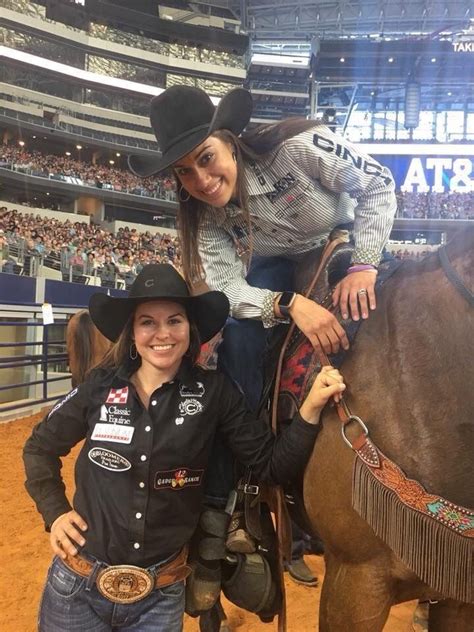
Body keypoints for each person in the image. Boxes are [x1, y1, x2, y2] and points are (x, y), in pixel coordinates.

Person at [129, 85, 397, 584]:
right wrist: (290, 306)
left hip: (338, 243)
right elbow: (228, 287)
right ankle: (241, 482)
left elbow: (379, 182)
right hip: (272, 269)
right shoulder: (205, 216)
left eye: (206, 159)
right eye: (184, 172)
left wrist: (365, 264)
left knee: (393, 311)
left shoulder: (300, 146)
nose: (202, 181)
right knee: (242, 339)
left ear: (229, 141)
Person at [23, 264, 346, 632]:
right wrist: (56, 513)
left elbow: (270, 464)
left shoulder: (215, 393)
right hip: (77, 588)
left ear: (190, 330)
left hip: (159, 599)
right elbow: (38, 448)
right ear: (132, 332)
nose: (162, 334)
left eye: (174, 321)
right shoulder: (99, 386)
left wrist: (310, 409)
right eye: (148, 322)